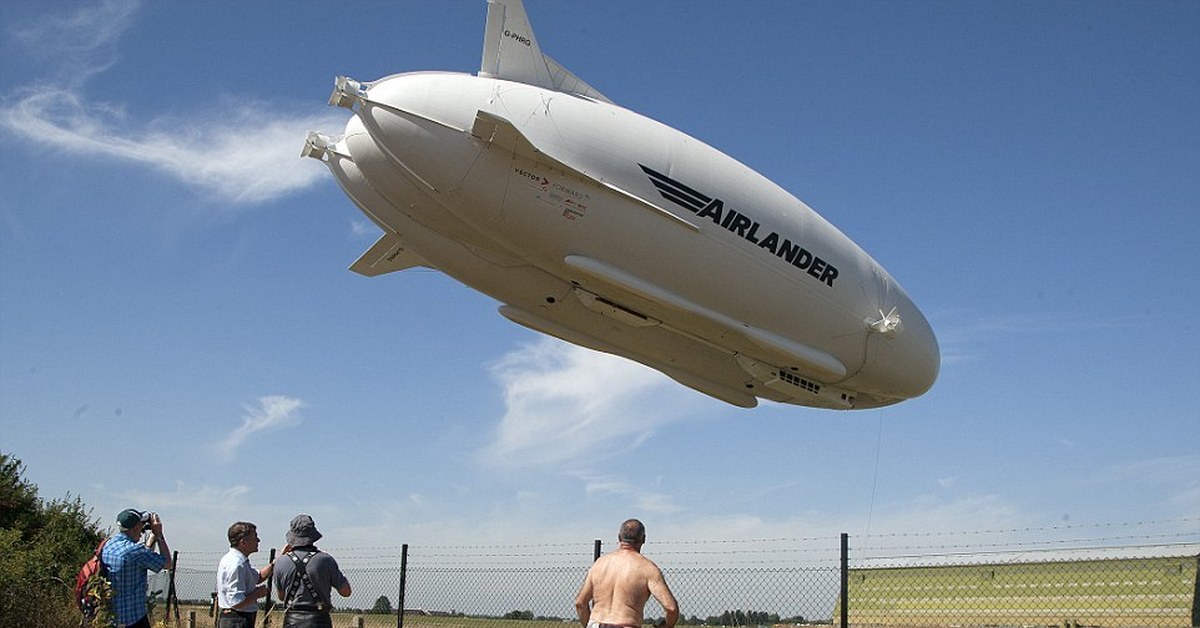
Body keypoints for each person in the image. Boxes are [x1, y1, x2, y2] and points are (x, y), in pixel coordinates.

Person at [575, 519, 679, 628]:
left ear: (619, 537)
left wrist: (589, 625)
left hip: (596, 624)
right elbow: (671, 608)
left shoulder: (599, 564)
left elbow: (580, 603)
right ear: (643, 539)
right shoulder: (648, 568)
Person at [272, 514, 351, 628]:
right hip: (319, 620)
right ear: (313, 536)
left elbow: (281, 596)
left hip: (292, 620)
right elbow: (346, 592)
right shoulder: (326, 560)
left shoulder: (281, 562)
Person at [101, 508, 172, 628]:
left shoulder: (108, 545)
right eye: (142, 525)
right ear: (135, 528)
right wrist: (159, 535)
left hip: (112, 618)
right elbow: (168, 563)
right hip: (133, 618)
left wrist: (151, 538)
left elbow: (141, 559)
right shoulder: (136, 551)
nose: (143, 528)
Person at [217, 521, 291, 627]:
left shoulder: (235, 560)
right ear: (243, 542)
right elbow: (235, 602)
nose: (258, 540)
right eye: (255, 537)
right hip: (237, 621)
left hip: (235, 619)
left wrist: (278, 559)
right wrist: (257, 594)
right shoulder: (237, 564)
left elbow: (258, 577)